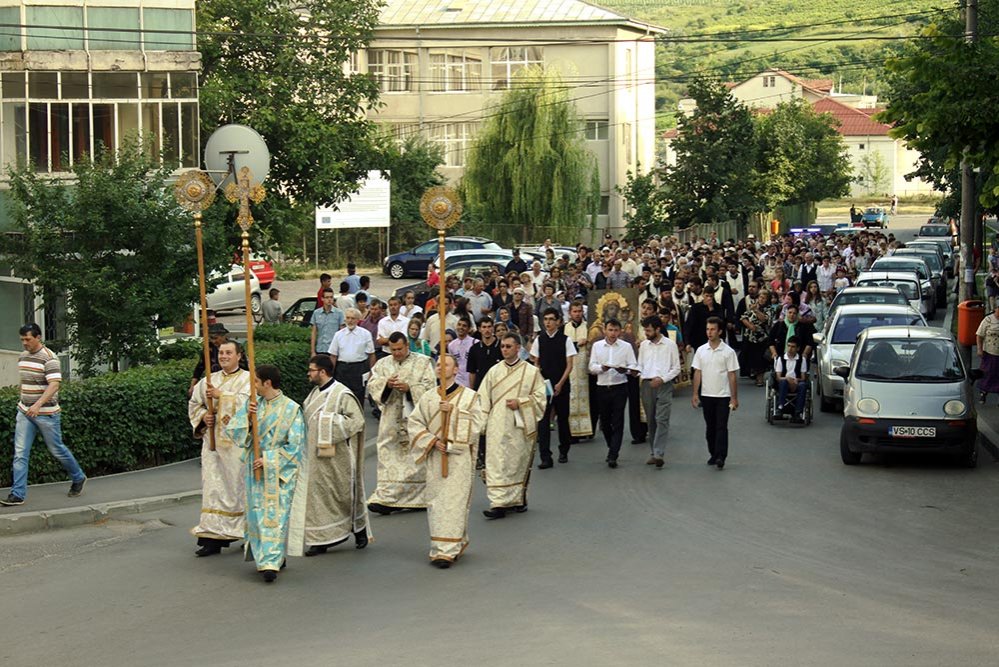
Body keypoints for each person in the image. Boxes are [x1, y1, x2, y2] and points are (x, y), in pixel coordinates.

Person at [227, 364, 305, 582]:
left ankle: (270, 562)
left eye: (256, 382)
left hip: (278, 471)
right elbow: (234, 432)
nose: (253, 386)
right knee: (256, 514)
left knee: (275, 517)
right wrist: (247, 418)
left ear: (267, 383)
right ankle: (270, 557)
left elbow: (296, 445)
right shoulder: (253, 405)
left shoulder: (292, 409)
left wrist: (269, 460)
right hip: (254, 467)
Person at [408, 354, 485, 568]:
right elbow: (414, 423)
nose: (441, 367)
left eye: (447, 364)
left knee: (454, 502)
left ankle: (447, 550)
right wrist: (432, 441)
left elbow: (477, 426)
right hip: (435, 456)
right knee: (437, 502)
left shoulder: (470, 397)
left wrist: (453, 413)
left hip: (458, 458)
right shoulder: (428, 397)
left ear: (456, 369)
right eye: (438, 364)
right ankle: (441, 546)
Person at [288, 355, 370, 558]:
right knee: (317, 498)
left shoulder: (342, 394)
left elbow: (357, 421)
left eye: (311, 370)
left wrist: (327, 422)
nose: (308, 373)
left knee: (342, 496)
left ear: (322, 372)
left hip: (337, 458)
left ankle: (358, 530)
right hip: (315, 457)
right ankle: (320, 539)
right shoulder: (314, 394)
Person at [2, 323, 87, 506]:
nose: (24, 343)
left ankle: (78, 476)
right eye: (22, 339)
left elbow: (54, 385)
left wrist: (38, 405)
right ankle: (17, 494)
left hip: (46, 414)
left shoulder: (49, 358)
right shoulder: (23, 356)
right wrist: (24, 401)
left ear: (38, 337)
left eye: (28, 339)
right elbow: (26, 381)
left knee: (57, 449)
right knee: (20, 453)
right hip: (25, 412)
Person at [187, 340, 252, 556]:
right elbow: (194, 403)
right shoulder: (208, 380)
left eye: (228, 352)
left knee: (237, 489)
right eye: (221, 352)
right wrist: (203, 418)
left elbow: (249, 406)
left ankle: (247, 534)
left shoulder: (248, 380)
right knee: (212, 489)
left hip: (236, 446)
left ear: (239, 356)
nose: (223, 356)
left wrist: (221, 397)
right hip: (212, 443)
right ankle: (212, 539)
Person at [366, 332, 437, 514]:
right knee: (387, 458)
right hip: (391, 419)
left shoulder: (423, 362)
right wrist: (386, 384)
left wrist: (410, 388)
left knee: (415, 460)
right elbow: (372, 384)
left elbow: (431, 387)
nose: (396, 353)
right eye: (393, 350)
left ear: (406, 346)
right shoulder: (382, 364)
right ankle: (385, 498)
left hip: (415, 419)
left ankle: (418, 498)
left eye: (399, 349)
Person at [477, 332, 546, 519]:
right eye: (502, 346)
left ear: (518, 348)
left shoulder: (531, 372)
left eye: (508, 346)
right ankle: (498, 503)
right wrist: (481, 424)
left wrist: (521, 402)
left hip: (519, 425)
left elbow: (540, 398)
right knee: (497, 462)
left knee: (516, 462)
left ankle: (518, 499)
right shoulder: (493, 372)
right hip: (497, 425)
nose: (505, 350)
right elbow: (483, 399)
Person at [529, 307, 576, 468]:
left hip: (561, 384)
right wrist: (540, 379)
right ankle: (545, 457)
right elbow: (536, 362)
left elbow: (569, 365)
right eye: (546, 319)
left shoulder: (565, 340)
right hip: (544, 385)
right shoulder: (539, 340)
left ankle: (564, 450)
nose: (548, 322)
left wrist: (560, 383)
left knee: (562, 419)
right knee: (543, 421)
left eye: (551, 319)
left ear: (558, 322)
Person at [691, 317, 740, 470]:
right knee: (710, 427)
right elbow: (697, 372)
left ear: (720, 331)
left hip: (723, 395)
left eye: (713, 329)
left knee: (721, 426)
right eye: (707, 329)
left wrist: (734, 398)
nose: (709, 332)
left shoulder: (728, 352)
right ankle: (713, 453)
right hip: (707, 394)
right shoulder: (701, 351)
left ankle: (721, 456)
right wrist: (695, 394)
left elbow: (732, 375)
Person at [588, 319, 637, 468]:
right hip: (602, 386)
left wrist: (625, 370)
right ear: (605, 330)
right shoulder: (597, 346)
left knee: (618, 421)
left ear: (620, 331)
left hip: (619, 386)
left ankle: (613, 454)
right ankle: (612, 446)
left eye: (616, 330)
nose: (613, 333)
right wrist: (601, 368)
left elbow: (633, 365)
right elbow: (591, 366)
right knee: (605, 422)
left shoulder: (626, 346)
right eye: (610, 330)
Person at [637, 316, 681, 468]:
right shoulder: (644, 345)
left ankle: (658, 453)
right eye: (645, 330)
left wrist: (662, 379)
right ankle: (653, 452)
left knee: (662, 419)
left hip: (664, 385)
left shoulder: (670, 345)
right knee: (651, 420)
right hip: (647, 384)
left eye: (648, 330)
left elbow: (676, 368)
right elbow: (640, 365)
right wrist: (635, 371)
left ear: (657, 329)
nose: (646, 333)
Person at [328, 308, 376, 404]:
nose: (350, 321)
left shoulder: (365, 334)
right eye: (348, 318)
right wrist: (330, 373)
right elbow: (333, 356)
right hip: (341, 369)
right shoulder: (338, 335)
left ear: (358, 320)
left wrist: (372, 373)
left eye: (353, 318)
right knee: (340, 396)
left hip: (358, 369)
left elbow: (371, 355)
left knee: (357, 397)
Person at [188, 323, 248, 397]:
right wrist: (193, 386)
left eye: (215, 338)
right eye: (211, 338)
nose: (213, 341)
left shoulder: (235, 347)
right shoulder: (208, 347)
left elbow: (244, 367)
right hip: (214, 381)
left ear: (223, 336)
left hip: (234, 382)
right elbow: (200, 366)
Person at [564, 301, 593, 440]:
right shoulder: (565, 328)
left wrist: (587, 341)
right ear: (570, 313)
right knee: (571, 398)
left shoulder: (588, 327)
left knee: (587, 398)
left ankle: (587, 429)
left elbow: (594, 344)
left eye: (579, 311)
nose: (577, 314)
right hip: (569, 367)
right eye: (574, 311)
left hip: (584, 367)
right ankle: (572, 431)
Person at [773, 336, 808, 424]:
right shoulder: (781, 358)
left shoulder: (802, 359)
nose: (790, 349)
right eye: (788, 346)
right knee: (783, 382)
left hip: (797, 383)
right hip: (784, 383)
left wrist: (796, 380)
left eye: (793, 347)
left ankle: (798, 413)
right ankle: (780, 409)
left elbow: (803, 377)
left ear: (798, 348)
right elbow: (778, 377)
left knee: (803, 385)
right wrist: (788, 379)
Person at [311, 288, 345, 357]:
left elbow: (342, 333)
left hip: (334, 350)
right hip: (320, 349)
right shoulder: (316, 313)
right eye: (327, 297)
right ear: (322, 299)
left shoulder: (339, 313)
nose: (329, 299)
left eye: (331, 297)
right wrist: (312, 351)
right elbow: (314, 333)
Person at [976, 302, 999, 404]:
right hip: (989, 352)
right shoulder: (988, 320)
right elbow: (979, 335)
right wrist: (979, 349)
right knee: (988, 373)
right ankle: (983, 393)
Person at [447, 316, 476, 387]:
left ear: (469, 329)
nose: (461, 327)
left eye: (464, 326)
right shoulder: (451, 345)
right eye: (459, 325)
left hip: (471, 379)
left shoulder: (475, 343)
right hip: (457, 380)